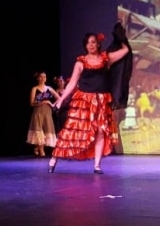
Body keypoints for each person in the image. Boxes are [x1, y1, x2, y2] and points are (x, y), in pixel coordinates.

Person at [48, 21, 132, 174]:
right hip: (84, 101)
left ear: (98, 44)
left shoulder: (106, 58)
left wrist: (121, 36)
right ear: (85, 46)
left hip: (101, 100)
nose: (91, 45)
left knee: (100, 131)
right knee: (72, 130)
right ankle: (54, 159)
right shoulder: (81, 62)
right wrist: (61, 99)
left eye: (93, 42)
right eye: (88, 43)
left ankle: (97, 165)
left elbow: (125, 51)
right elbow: (72, 83)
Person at [26, 71, 60, 157]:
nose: (42, 78)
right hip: (38, 112)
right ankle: (41, 151)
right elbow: (31, 103)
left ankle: (37, 147)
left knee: (47, 131)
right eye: (41, 77)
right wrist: (41, 102)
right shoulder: (35, 88)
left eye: (44, 77)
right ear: (38, 78)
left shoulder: (49, 88)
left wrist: (52, 104)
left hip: (47, 112)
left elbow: (59, 98)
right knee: (38, 131)